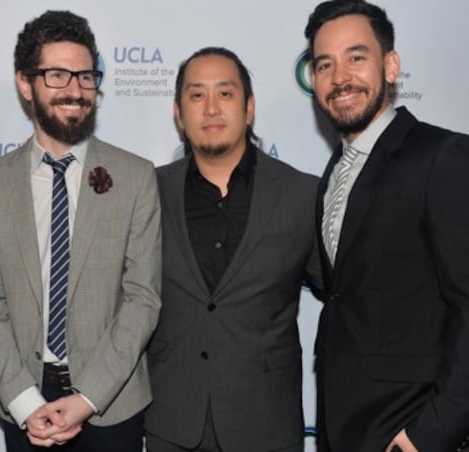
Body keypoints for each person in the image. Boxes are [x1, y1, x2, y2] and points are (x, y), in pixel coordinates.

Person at [304, 1, 469, 451]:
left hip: (409, 432)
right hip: (341, 429)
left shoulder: (445, 157)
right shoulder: (333, 174)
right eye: (326, 64)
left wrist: (427, 436)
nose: (340, 77)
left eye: (356, 58)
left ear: (391, 65)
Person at [0, 10, 161, 452]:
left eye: (85, 75)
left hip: (112, 404)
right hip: (26, 403)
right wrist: (22, 401)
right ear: (26, 83)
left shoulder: (135, 176)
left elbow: (142, 297)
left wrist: (86, 398)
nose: (74, 90)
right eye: (56, 75)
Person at [144, 47, 324, 452]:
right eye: (196, 95)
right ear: (178, 112)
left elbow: (346, 301)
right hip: (172, 424)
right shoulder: (146, 192)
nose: (211, 108)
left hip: (267, 426)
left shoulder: (302, 195)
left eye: (225, 94)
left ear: (249, 108)